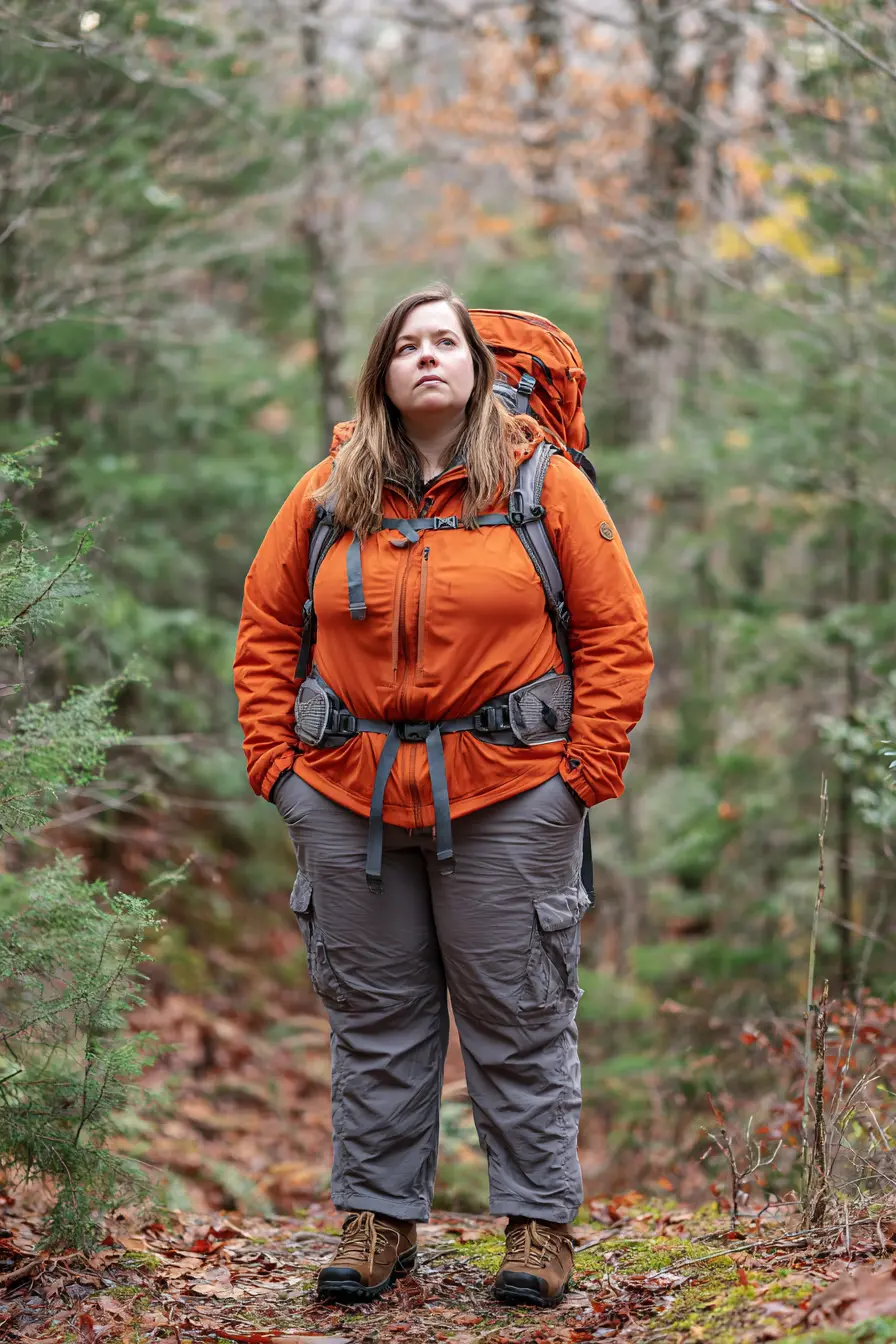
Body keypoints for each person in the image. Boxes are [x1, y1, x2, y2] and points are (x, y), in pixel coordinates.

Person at [233, 283, 653, 1308]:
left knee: (518, 1010)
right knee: (375, 1016)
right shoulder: (327, 492)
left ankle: (537, 1227)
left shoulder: (543, 486)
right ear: (380, 371)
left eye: (445, 343)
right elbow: (263, 633)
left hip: (511, 792)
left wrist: (578, 781)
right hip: (344, 794)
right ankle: (378, 1220)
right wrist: (279, 774)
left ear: (474, 367)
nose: (426, 357)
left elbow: (615, 636)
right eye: (406, 343)